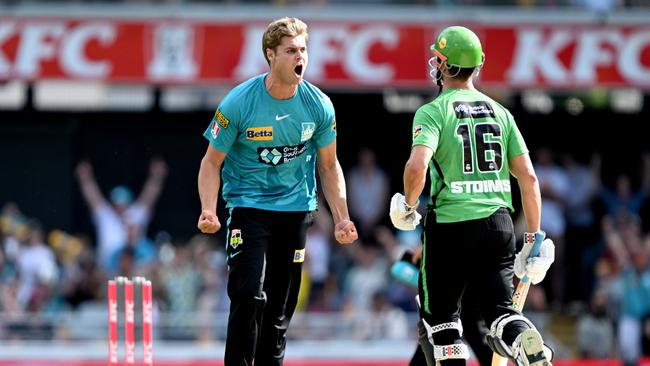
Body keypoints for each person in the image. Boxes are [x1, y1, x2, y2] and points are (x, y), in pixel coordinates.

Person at [389, 25, 555, 366]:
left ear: (447, 67)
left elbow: (417, 166)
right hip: (499, 224)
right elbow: (529, 177)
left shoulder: (433, 111)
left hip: (450, 226)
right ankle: (522, 335)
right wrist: (533, 239)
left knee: (442, 323)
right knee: (501, 312)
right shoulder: (501, 112)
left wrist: (407, 206)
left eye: (438, 59)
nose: (434, 65)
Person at [196, 17, 357, 366]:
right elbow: (211, 162)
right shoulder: (239, 102)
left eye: (303, 50)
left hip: (296, 209)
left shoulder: (319, 105)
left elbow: (329, 165)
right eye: (290, 51)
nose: (300, 57)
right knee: (248, 294)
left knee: (280, 309)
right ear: (271, 55)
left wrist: (342, 217)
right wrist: (209, 209)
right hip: (248, 206)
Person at [391, 247, 493, 366]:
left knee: (486, 354)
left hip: (463, 301)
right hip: (451, 302)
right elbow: (400, 267)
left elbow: (400, 267)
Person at [75, 158, 167, 272]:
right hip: (107, 272)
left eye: (123, 203)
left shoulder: (136, 215)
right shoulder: (106, 215)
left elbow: (149, 197)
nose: (120, 207)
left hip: (138, 273)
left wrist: (156, 177)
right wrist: (85, 179)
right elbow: (93, 198)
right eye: (116, 203)